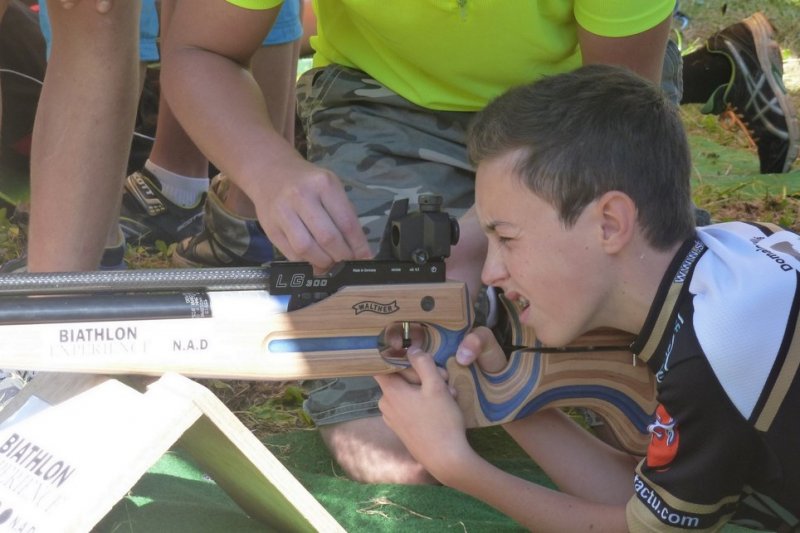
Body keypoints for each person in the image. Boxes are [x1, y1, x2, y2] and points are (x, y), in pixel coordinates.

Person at [161, 0, 678, 484]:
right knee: (386, 446)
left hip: (577, 112)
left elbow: (615, 100)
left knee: (663, 407)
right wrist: (267, 169)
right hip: (384, 102)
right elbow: (201, 48)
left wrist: (485, 234)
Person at [375, 64, 799, 532]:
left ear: (610, 224)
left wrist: (455, 465)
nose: (491, 273)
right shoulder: (738, 253)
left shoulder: (713, 352)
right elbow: (645, 508)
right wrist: (501, 394)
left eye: (507, 238)